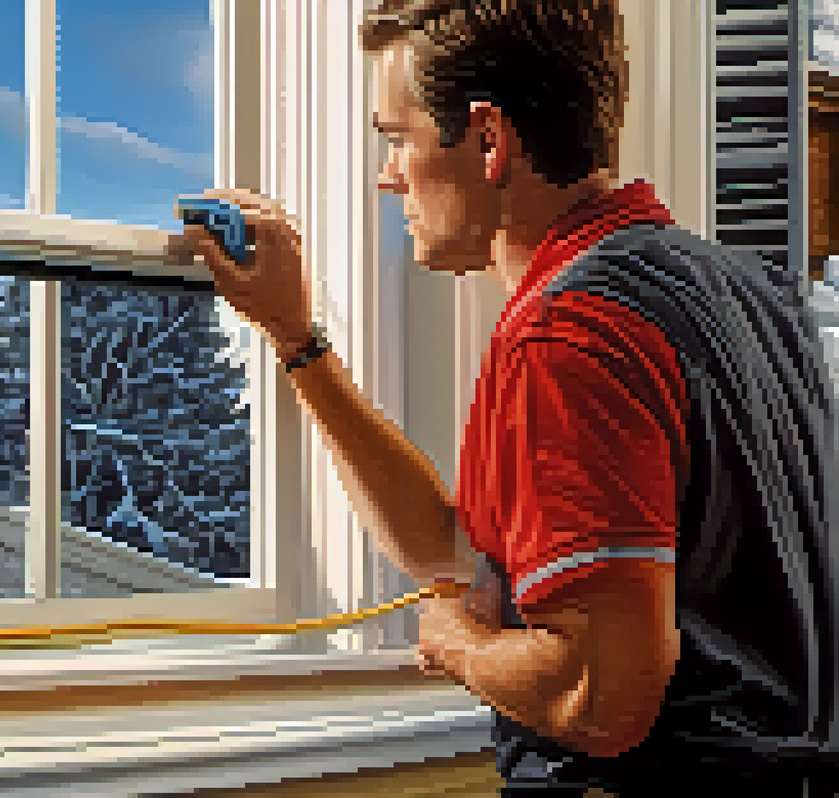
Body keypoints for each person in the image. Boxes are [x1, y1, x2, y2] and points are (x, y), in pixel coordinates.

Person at [178, 1, 839, 795]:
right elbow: (455, 544)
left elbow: (598, 698)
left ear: (488, 140)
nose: (387, 176)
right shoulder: (754, 292)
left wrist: (455, 642)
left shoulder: (570, 335)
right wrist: (298, 339)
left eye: (398, 139)